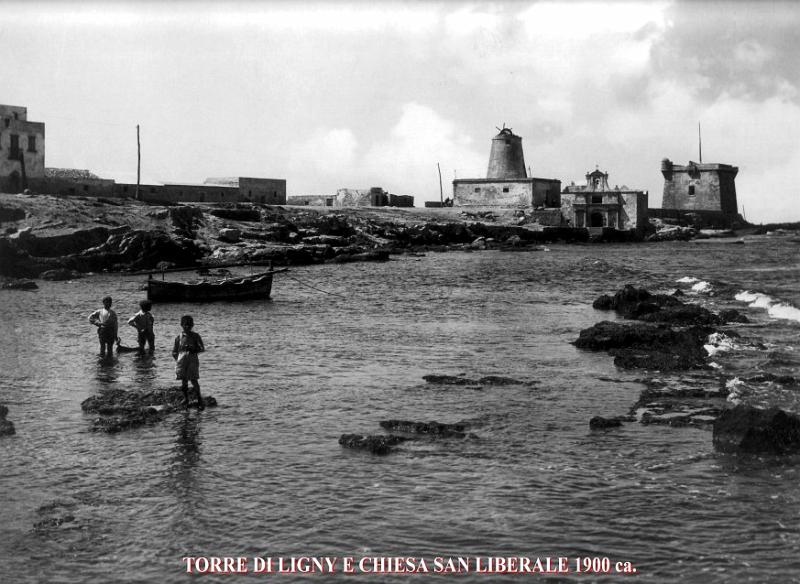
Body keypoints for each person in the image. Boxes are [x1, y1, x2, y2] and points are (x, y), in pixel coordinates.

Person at [172, 315, 205, 410]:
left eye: (190, 325)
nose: (188, 327)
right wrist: (177, 360)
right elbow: (174, 351)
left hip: (192, 360)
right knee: (183, 381)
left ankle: (199, 398)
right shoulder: (179, 337)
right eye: (186, 325)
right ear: (181, 325)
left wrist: (194, 349)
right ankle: (186, 399)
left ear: (192, 325)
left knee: (194, 380)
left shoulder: (196, 336)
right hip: (182, 361)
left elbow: (202, 349)